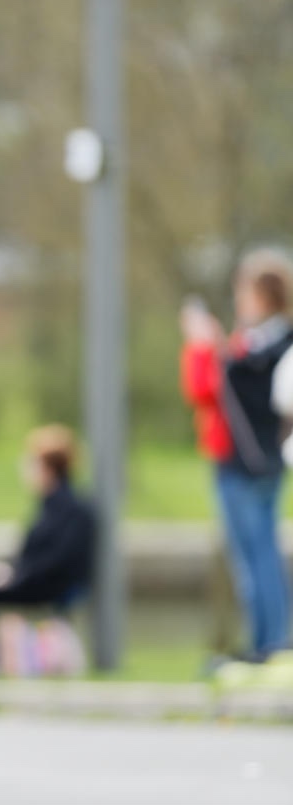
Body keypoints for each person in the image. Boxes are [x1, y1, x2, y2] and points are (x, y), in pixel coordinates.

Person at [180, 249, 293, 660]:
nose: (239, 300)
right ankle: (269, 640)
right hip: (258, 463)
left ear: (262, 294)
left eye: (244, 291)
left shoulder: (270, 346)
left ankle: (271, 644)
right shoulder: (261, 342)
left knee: (255, 556)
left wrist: (203, 348)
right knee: (258, 554)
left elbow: (223, 387)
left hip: (247, 465)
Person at [0, 425, 95, 670]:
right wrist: (9, 570)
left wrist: (17, 576)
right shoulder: (50, 504)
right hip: (32, 579)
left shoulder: (71, 508)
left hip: (46, 585)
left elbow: (59, 558)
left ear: (47, 468)